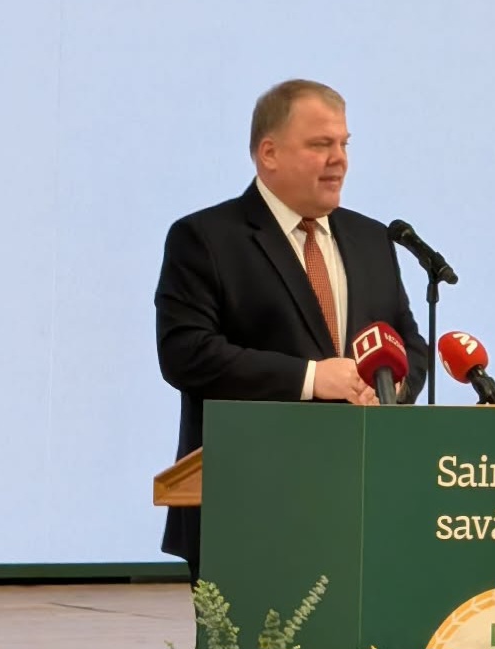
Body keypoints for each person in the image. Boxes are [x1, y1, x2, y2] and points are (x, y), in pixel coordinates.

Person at [153, 78, 429, 586]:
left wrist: (388, 389)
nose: (339, 159)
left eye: (344, 143)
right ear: (269, 153)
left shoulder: (371, 239)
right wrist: (312, 379)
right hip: (249, 502)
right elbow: (186, 353)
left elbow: (409, 344)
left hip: (361, 503)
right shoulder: (207, 239)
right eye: (321, 144)